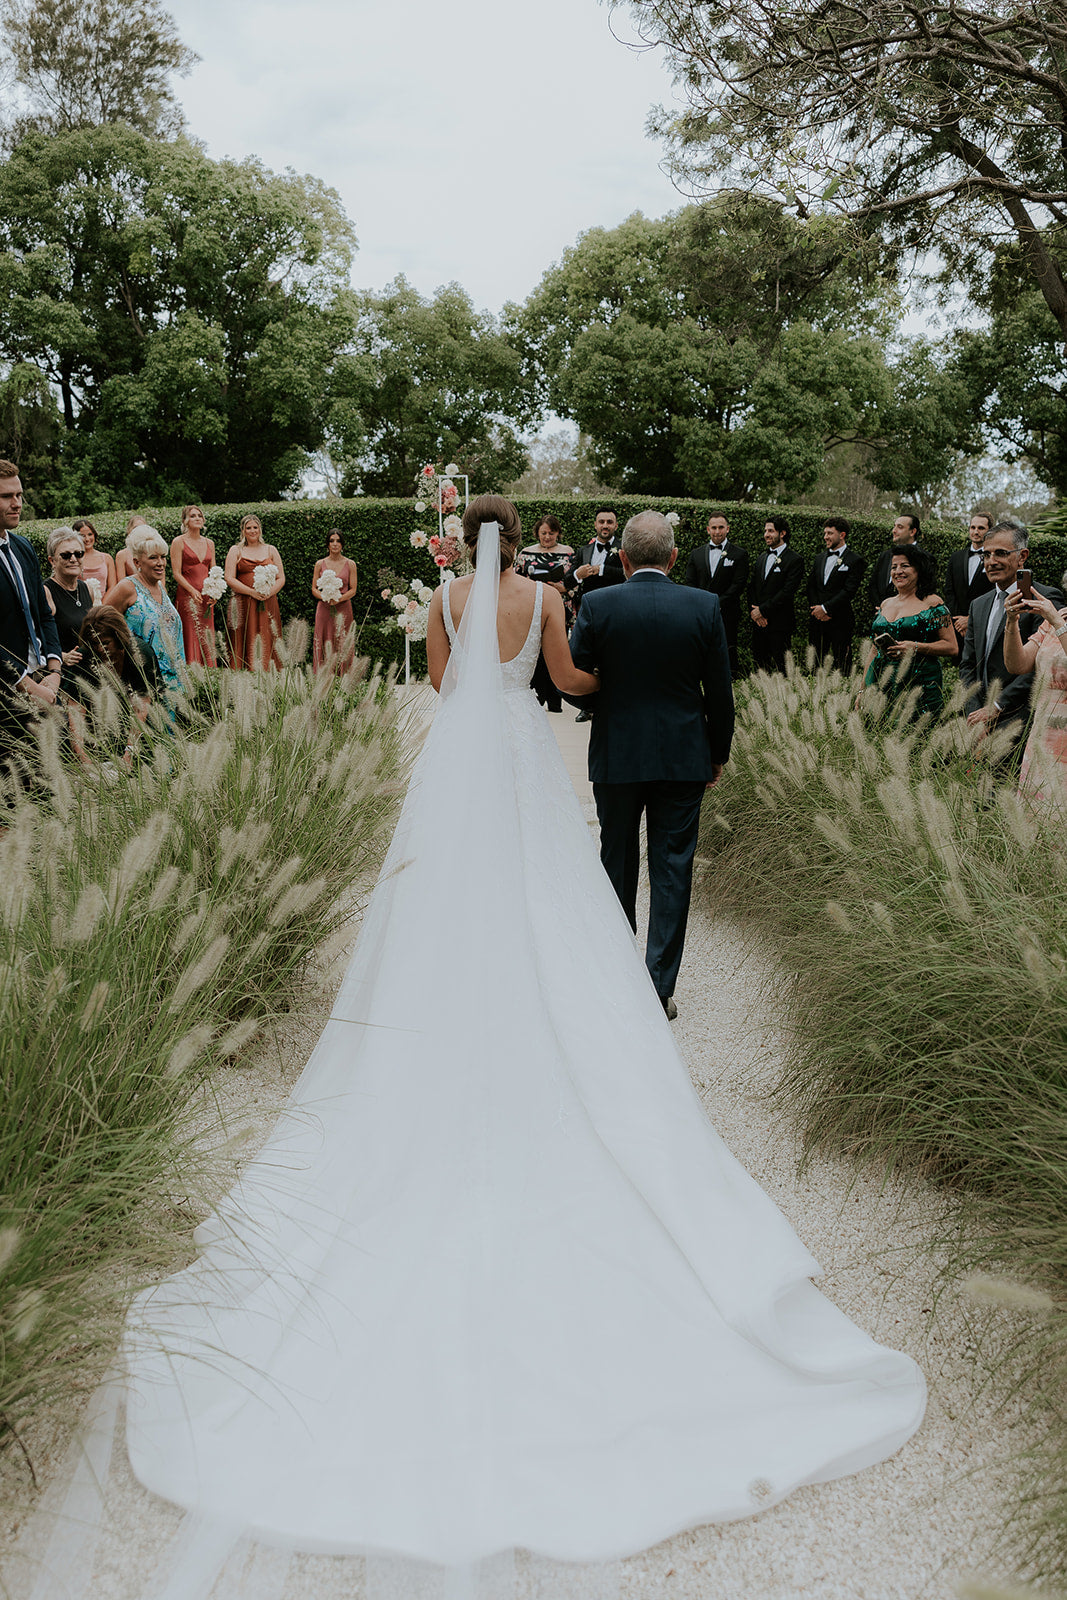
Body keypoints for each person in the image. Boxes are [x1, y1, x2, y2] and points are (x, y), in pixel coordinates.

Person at [15, 499, 925, 1600]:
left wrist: (495, 666)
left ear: (459, 541)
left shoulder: (443, 598)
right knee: (554, 903)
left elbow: (447, 689)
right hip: (521, 760)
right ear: (518, 540)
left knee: (440, 907)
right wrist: (600, 673)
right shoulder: (546, 597)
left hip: (460, 765)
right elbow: (568, 687)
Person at [569, 508, 734, 1020]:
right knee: (672, 870)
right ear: (675, 556)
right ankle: (657, 988)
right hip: (684, 757)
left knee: (615, 864)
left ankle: (616, 978)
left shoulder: (597, 604)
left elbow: (570, 681)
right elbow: (721, 695)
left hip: (617, 755)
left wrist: (606, 702)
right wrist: (717, 754)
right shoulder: (705, 606)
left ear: (621, 558)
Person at [960, 517, 1066, 760]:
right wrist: (976, 712)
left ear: (1022, 556)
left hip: (1021, 721)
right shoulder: (978, 604)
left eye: (1001, 553)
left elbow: (1042, 663)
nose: (991, 561)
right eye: (986, 555)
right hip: (979, 723)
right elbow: (968, 665)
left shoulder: (1045, 600)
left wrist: (996, 708)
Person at [0, 460, 63, 762]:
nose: (17, 503)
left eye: (19, 494)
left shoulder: (23, 547)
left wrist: (54, 669)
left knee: (48, 778)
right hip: (6, 692)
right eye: (6, 496)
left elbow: (43, 613)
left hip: (42, 681)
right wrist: (24, 684)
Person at [862, 544, 956, 718]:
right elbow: (874, 650)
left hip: (919, 687)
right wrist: (862, 690)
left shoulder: (933, 603)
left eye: (905, 566)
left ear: (919, 569)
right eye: (894, 567)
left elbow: (952, 647)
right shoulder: (886, 603)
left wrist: (915, 646)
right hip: (882, 684)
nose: (898, 571)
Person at [67, 604, 164, 765]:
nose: (99, 649)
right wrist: (81, 754)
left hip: (141, 728)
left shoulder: (140, 654)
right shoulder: (84, 656)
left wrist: (129, 754)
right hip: (100, 732)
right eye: (94, 643)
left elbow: (141, 709)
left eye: (105, 643)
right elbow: (76, 708)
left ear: (119, 637)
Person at [1004, 577, 1067, 806]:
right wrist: (1011, 621)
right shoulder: (1058, 617)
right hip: (1041, 741)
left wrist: (1057, 621)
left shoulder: (1057, 618)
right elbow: (1017, 665)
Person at [105, 525, 186, 693]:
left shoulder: (160, 587)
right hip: (144, 682)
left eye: (163, 557)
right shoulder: (127, 587)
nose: (161, 563)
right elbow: (102, 623)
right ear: (137, 562)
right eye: (153, 558)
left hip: (173, 682)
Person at [515, 514, 576, 711]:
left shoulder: (568, 553)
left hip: (559, 606)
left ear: (558, 532)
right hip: (531, 607)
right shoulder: (525, 553)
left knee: (555, 650)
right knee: (534, 650)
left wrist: (564, 588)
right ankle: (536, 694)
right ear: (537, 533)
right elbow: (515, 580)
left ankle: (554, 697)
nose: (547, 537)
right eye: (543, 533)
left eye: (551, 533)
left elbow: (576, 581)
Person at [685, 510, 750, 677]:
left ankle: (731, 680)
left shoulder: (739, 554)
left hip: (727, 613)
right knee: (701, 648)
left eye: (721, 527)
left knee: (728, 648)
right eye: (714, 527)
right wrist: (702, 605)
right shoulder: (696, 554)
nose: (717, 531)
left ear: (727, 529)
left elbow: (738, 585)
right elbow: (690, 583)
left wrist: (717, 604)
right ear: (708, 529)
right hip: (700, 612)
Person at [226, 513, 285, 670]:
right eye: (248, 528)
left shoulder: (271, 550)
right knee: (246, 634)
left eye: (255, 527)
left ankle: (270, 668)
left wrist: (270, 592)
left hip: (268, 601)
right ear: (243, 531)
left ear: (260, 529)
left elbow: (281, 578)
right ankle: (245, 668)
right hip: (244, 602)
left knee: (267, 633)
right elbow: (229, 578)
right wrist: (251, 592)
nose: (252, 531)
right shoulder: (236, 550)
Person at [807, 517, 866, 673]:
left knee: (842, 663)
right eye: (825, 533)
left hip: (840, 620)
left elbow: (849, 591)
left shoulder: (855, 560)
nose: (826, 536)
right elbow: (811, 586)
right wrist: (817, 610)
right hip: (817, 620)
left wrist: (826, 609)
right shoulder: (819, 559)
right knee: (815, 664)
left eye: (830, 533)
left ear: (842, 535)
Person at [747, 516, 804, 674]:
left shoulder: (795, 560)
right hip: (758, 624)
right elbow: (751, 587)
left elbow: (787, 592)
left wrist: (763, 610)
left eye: (771, 531)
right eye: (765, 531)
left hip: (780, 624)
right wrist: (754, 613)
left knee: (782, 669)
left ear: (783, 533)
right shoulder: (761, 558)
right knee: (760, 668)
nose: (766, 534)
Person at [170, 504, 218, 666]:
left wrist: (215, 592)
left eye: (199, 515)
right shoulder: (178, 542)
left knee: (206, 633)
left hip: (206, 597)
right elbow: (176, 573)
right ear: (185, 521)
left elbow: (214, 572)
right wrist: (191, 590)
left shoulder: (210, 543)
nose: (197, 518)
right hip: (187, 596)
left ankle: (210, 672)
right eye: (192, 516)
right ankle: (191, 669)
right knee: (190, 632)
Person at [43, 527, 92, 681]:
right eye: (65, 555)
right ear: (52, 561)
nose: (73, 559)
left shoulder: (87, 589)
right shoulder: (45, 592)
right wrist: (61, 657)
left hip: (90, 673)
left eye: (78, 554)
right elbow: (35, 638)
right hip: (63, 676)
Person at [311, 528, 357, 670]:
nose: (335, 544)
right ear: (327, 544)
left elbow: (353, 589)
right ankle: (323, 677)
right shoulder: (320, 564)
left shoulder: (350, 564)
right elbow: (313, 588)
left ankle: (344, 676)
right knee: (323, 640)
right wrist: (325, 597)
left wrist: (339, 598)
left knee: (343, 641)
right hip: (324, 609)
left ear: (342, 544)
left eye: (338, 541)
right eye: (332, 541)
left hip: (343, 608)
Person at [943, 510, 993, 641]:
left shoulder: (994, 559)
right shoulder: (956, 557)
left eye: (981, 528)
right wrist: (958, 620)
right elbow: (949, 590)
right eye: (973, 527)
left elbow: (994, 593)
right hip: (957, 627)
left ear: (990, 531)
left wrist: (970, 619)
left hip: (984, 626)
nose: (976, 532)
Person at [867, 513, 930, 610]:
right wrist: (880, 607)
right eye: (894, 526)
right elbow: (874, 584)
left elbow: (925, 589)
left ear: (912, 531)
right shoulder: (885, 555)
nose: (894, 531)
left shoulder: (924, 557)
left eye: (900, 527)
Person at [71, 518, 116, 600]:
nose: (87, 539)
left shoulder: (107, 558)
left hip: (104, 605)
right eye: (82, 536)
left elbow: (112, 586)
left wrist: (102, 605)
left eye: (90, 534)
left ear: (94, 535)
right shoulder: (73, 559)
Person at [113, 514, 147, 582]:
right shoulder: (122, 555)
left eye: (142, 527)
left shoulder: (153, 551)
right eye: (135, 528)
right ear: (129, 531)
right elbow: (121, 583)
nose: (139, 530)